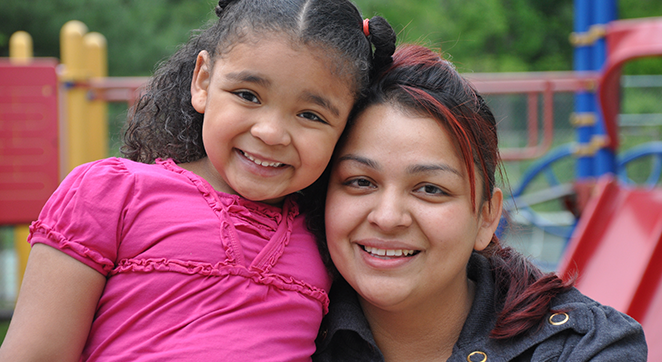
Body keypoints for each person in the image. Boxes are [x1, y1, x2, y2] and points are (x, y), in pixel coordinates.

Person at [0, 1, 396, 361]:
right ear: (203, 81)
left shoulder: (330, 234)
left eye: (311, 115)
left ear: (346, 128)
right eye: (247, 94)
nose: (271, 132)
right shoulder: (112, 192)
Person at [313, 45, 647, 362]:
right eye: (360, 182)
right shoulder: (279, 326)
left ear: (487, 217)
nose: (388, 217)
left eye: (429, 189)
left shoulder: (583, 348)